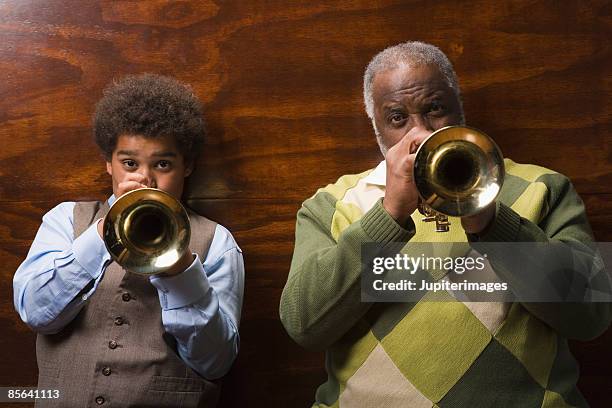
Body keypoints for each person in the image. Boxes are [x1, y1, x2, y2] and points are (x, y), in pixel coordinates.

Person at [279, 41, 611, 407]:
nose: (419, 132)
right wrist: (387, 216)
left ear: (459, 107)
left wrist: (490, 221)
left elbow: (590, 316)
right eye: (396, 118)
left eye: (435, 108)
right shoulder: (330, 203)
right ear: (375, 125)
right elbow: (303, 325)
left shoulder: (544, 187)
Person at [13, 74, 244, 408]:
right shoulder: (65, 220)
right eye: (129, 163)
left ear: (188, 166)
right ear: (109, 164)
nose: (145, 178)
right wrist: (103, 232)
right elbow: (36, 313)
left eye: (162, 163)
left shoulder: (217, 243)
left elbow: (215, 362)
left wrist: (182, 271)